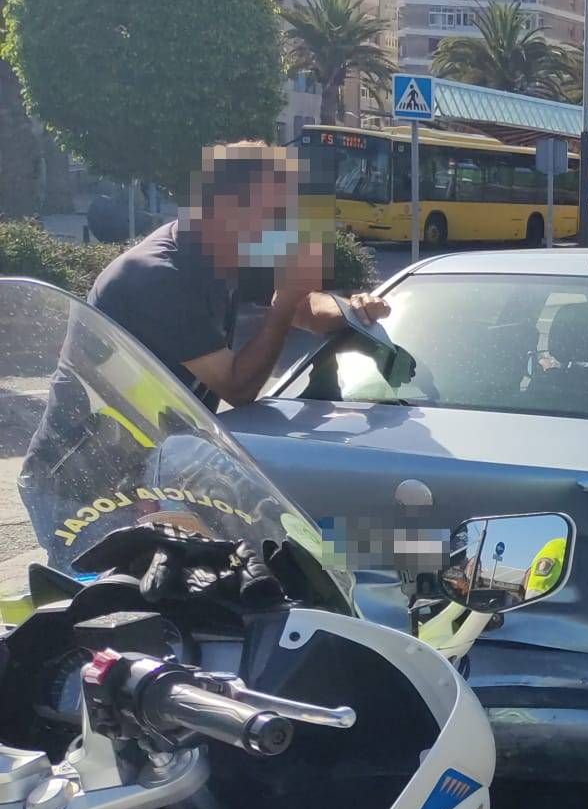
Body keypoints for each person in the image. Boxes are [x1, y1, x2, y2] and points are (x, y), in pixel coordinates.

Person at [20, 142, 389, 566]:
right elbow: (239, 386)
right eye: (276, 214)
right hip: (79, 485)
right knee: (111, 613)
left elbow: (304, 305)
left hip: (148, 473)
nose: (287, 227)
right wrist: (285, 303)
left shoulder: (225, 253)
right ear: (227, 208)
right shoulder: (159, 276)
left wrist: (351, 310)